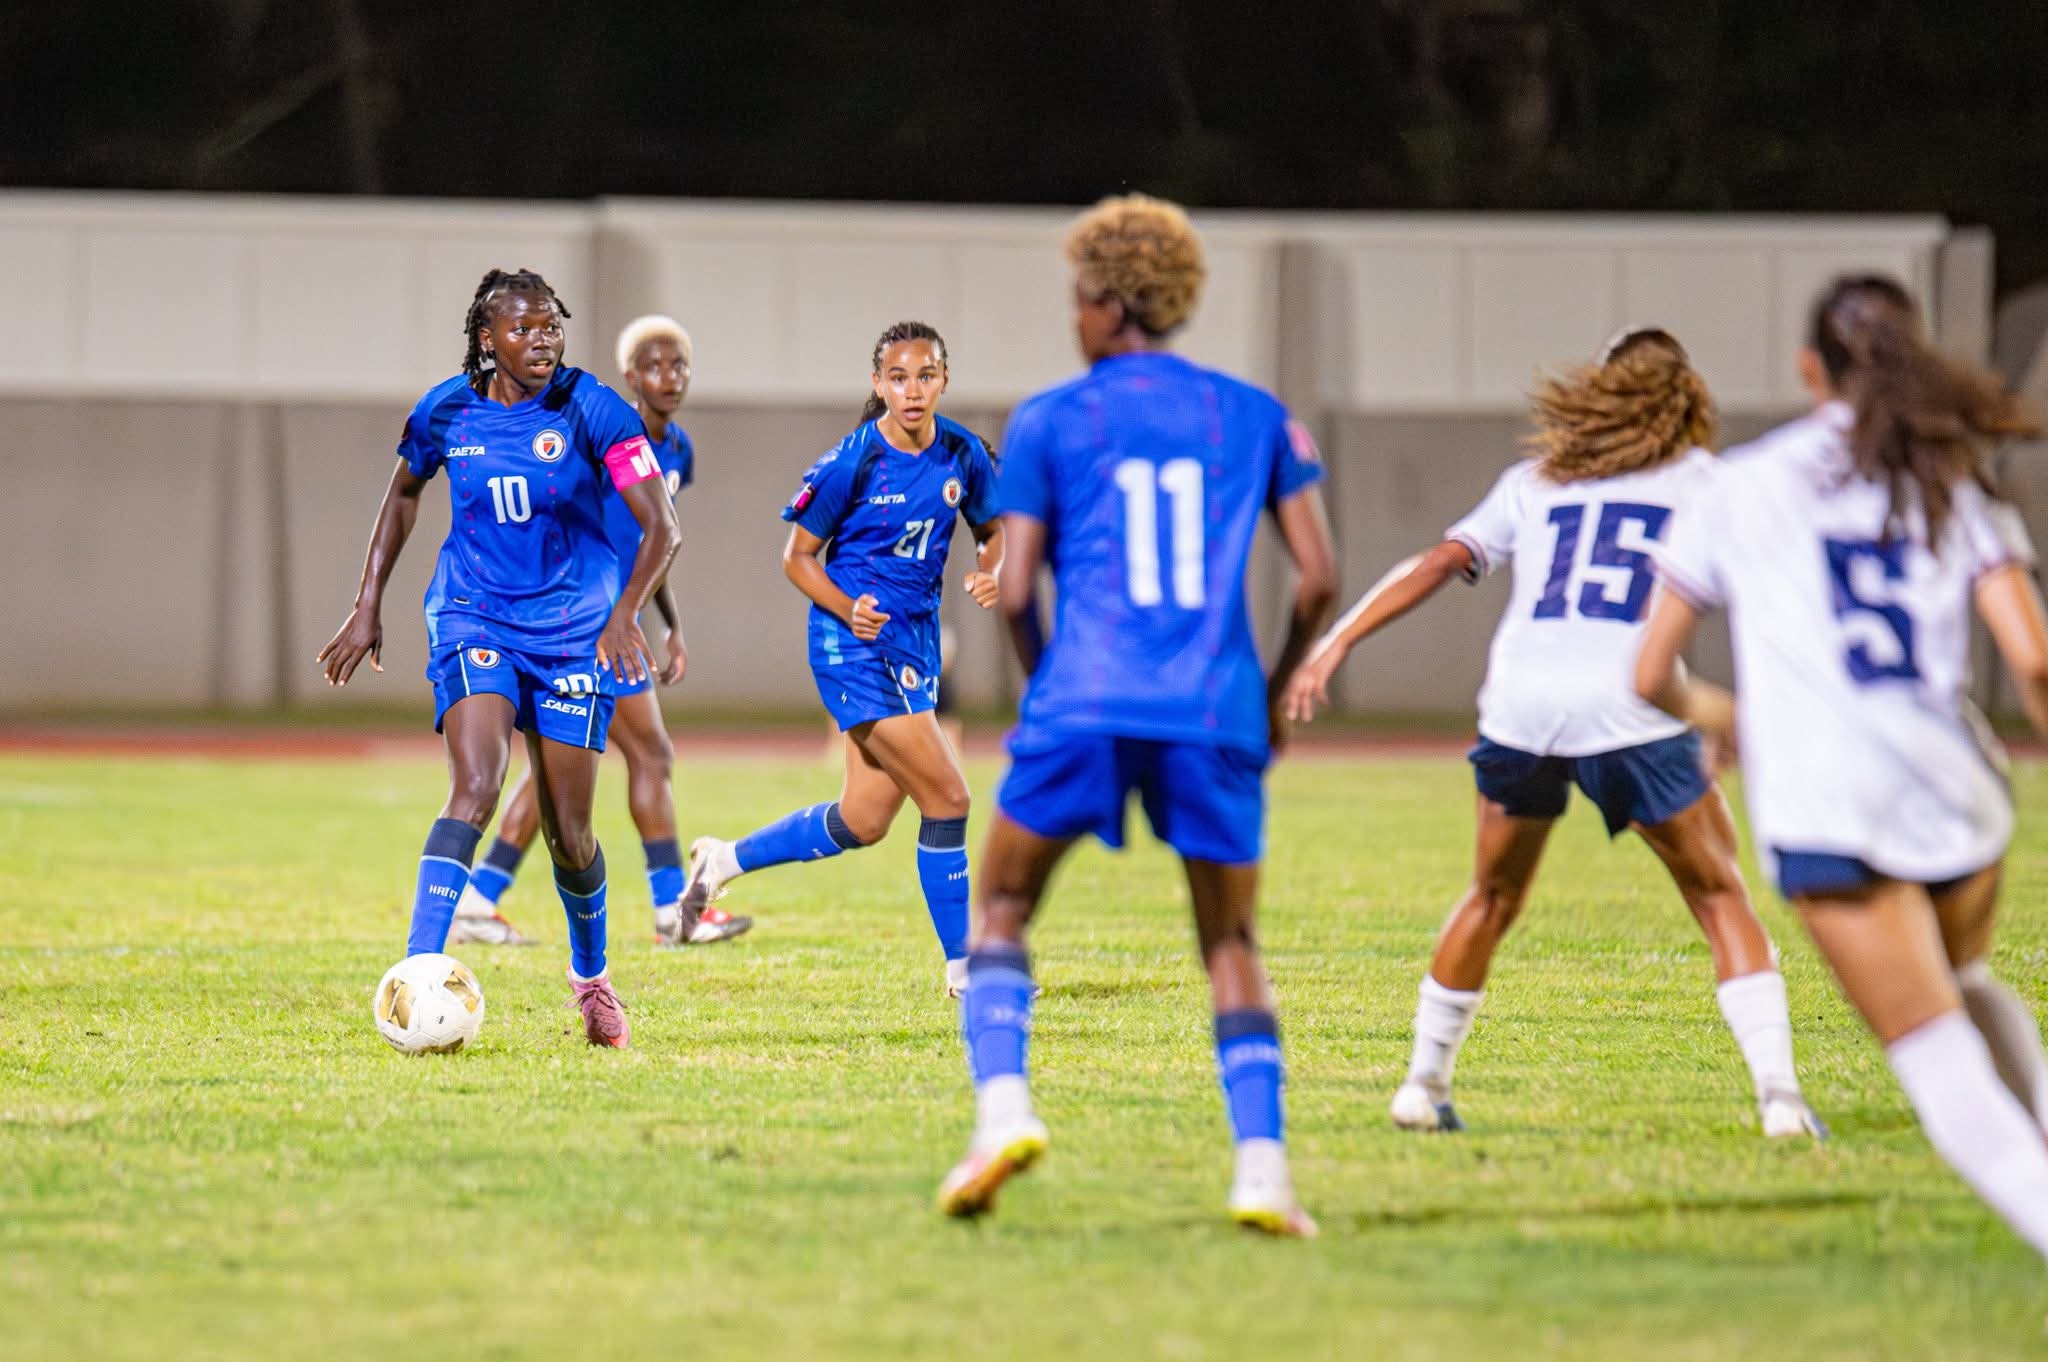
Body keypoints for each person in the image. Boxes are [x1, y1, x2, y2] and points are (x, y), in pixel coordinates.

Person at [1283, 327, 1823, 1139]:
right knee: (1718, 896)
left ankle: (1420, 1086)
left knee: (1492, 895)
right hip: (1632, 706)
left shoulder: (1536, 480)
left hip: (1521, 709)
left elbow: (1437, 561)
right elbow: (1770, 596)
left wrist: (1337, 642)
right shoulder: (1710, 483)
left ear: (1598, 394)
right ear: (1687, 401)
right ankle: (1781, 1099)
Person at [936, 194, 1338, 1237]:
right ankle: (1261, 1173)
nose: (1070, 317)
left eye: (1077, 299)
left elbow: (1013, 585)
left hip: (1083, 698)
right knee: (1229, 938)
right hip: (1213, 709)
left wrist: (1039, 690)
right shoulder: (1253, 413)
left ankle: (1002, 1116)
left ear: (1111, 304)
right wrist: (1278, 688)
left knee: (1005, 910)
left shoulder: (1050, 418)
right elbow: (1318, 577)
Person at [1636, 274, 2048, 1259]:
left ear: (1806, 369)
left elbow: (1649, 672)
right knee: (1957, 974)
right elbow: (2031, 659)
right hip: (1953, 789)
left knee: (1934, 1054)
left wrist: (1717, 712)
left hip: (1827, 801)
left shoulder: (1739, 483)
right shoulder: (1946, 472)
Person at [317, 268, 680, 1049]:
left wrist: (622, 618)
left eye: (552, 326)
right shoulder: (447, 408)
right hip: (473, 614)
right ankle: (419, 969)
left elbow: (662, 528)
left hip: (573, 632)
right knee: (475, 786)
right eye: (524, 329)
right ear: (488, 339)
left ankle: (592, 980)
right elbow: (405, 492)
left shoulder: (593, 408)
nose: (542, 340)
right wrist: (367, 602)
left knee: (570, 832)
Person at [678, 322, 1003, 996]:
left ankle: (720, 860)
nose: (912, 391)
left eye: (926, 376)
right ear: (877, 383)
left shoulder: (962, 454)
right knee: (949, 797)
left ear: (943, 380)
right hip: (849, 646)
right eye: (897, 377)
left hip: (912, 645)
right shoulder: (851, 462)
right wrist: (846, 605)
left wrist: (990, 568)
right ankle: (966, 969)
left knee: (864, 819)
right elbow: (796, 557)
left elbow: (993, 529)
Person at [448, 314, 752, 949]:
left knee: (554, 769)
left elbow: (652, 541)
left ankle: (479, 898)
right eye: (654, 366)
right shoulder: (607, 432)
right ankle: (673, 908)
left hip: (617, 620)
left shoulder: (679, 450)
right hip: (581, 621)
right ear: (629, 377)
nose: (669, 377)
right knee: (649, 753)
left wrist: (669, 624)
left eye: (678, 365)